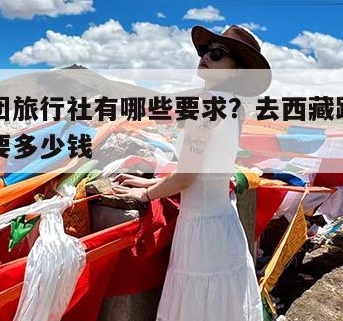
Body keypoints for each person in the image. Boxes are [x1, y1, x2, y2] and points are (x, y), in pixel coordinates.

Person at [113, 25, 271, 321]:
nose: (206, 56)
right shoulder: (233, 105)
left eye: (218, 53)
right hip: (224, 223)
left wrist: (146, 193)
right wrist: (156, 182)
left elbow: (187, 176)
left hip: (201, 230)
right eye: (206, 50)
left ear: (236, 70)